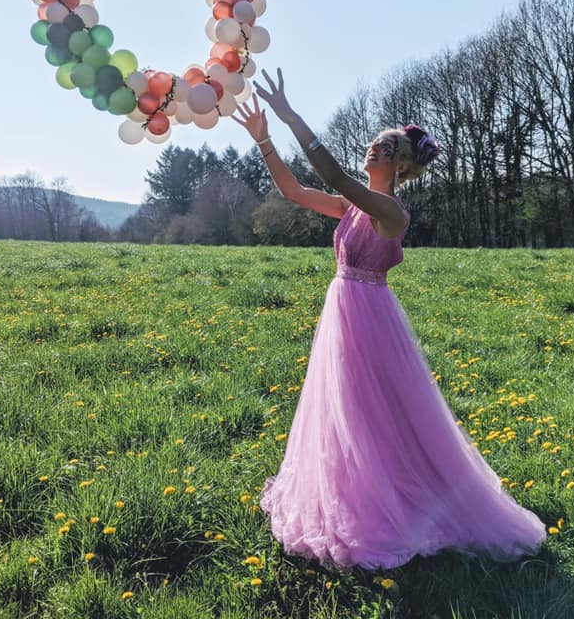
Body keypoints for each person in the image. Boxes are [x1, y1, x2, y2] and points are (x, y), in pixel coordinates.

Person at [232, 68, 547, 571]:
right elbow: (295, 192)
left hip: (370, 318)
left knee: (376, 410)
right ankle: (353, 491)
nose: (373, 149)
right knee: (347, 410)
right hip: (341, 312)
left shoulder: (390, 211)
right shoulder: (351, 205)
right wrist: (265, 138)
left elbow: (334, 178)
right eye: (374, 144)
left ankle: (398, 498)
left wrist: (292, 117)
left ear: (399, 164)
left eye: (384, 147)